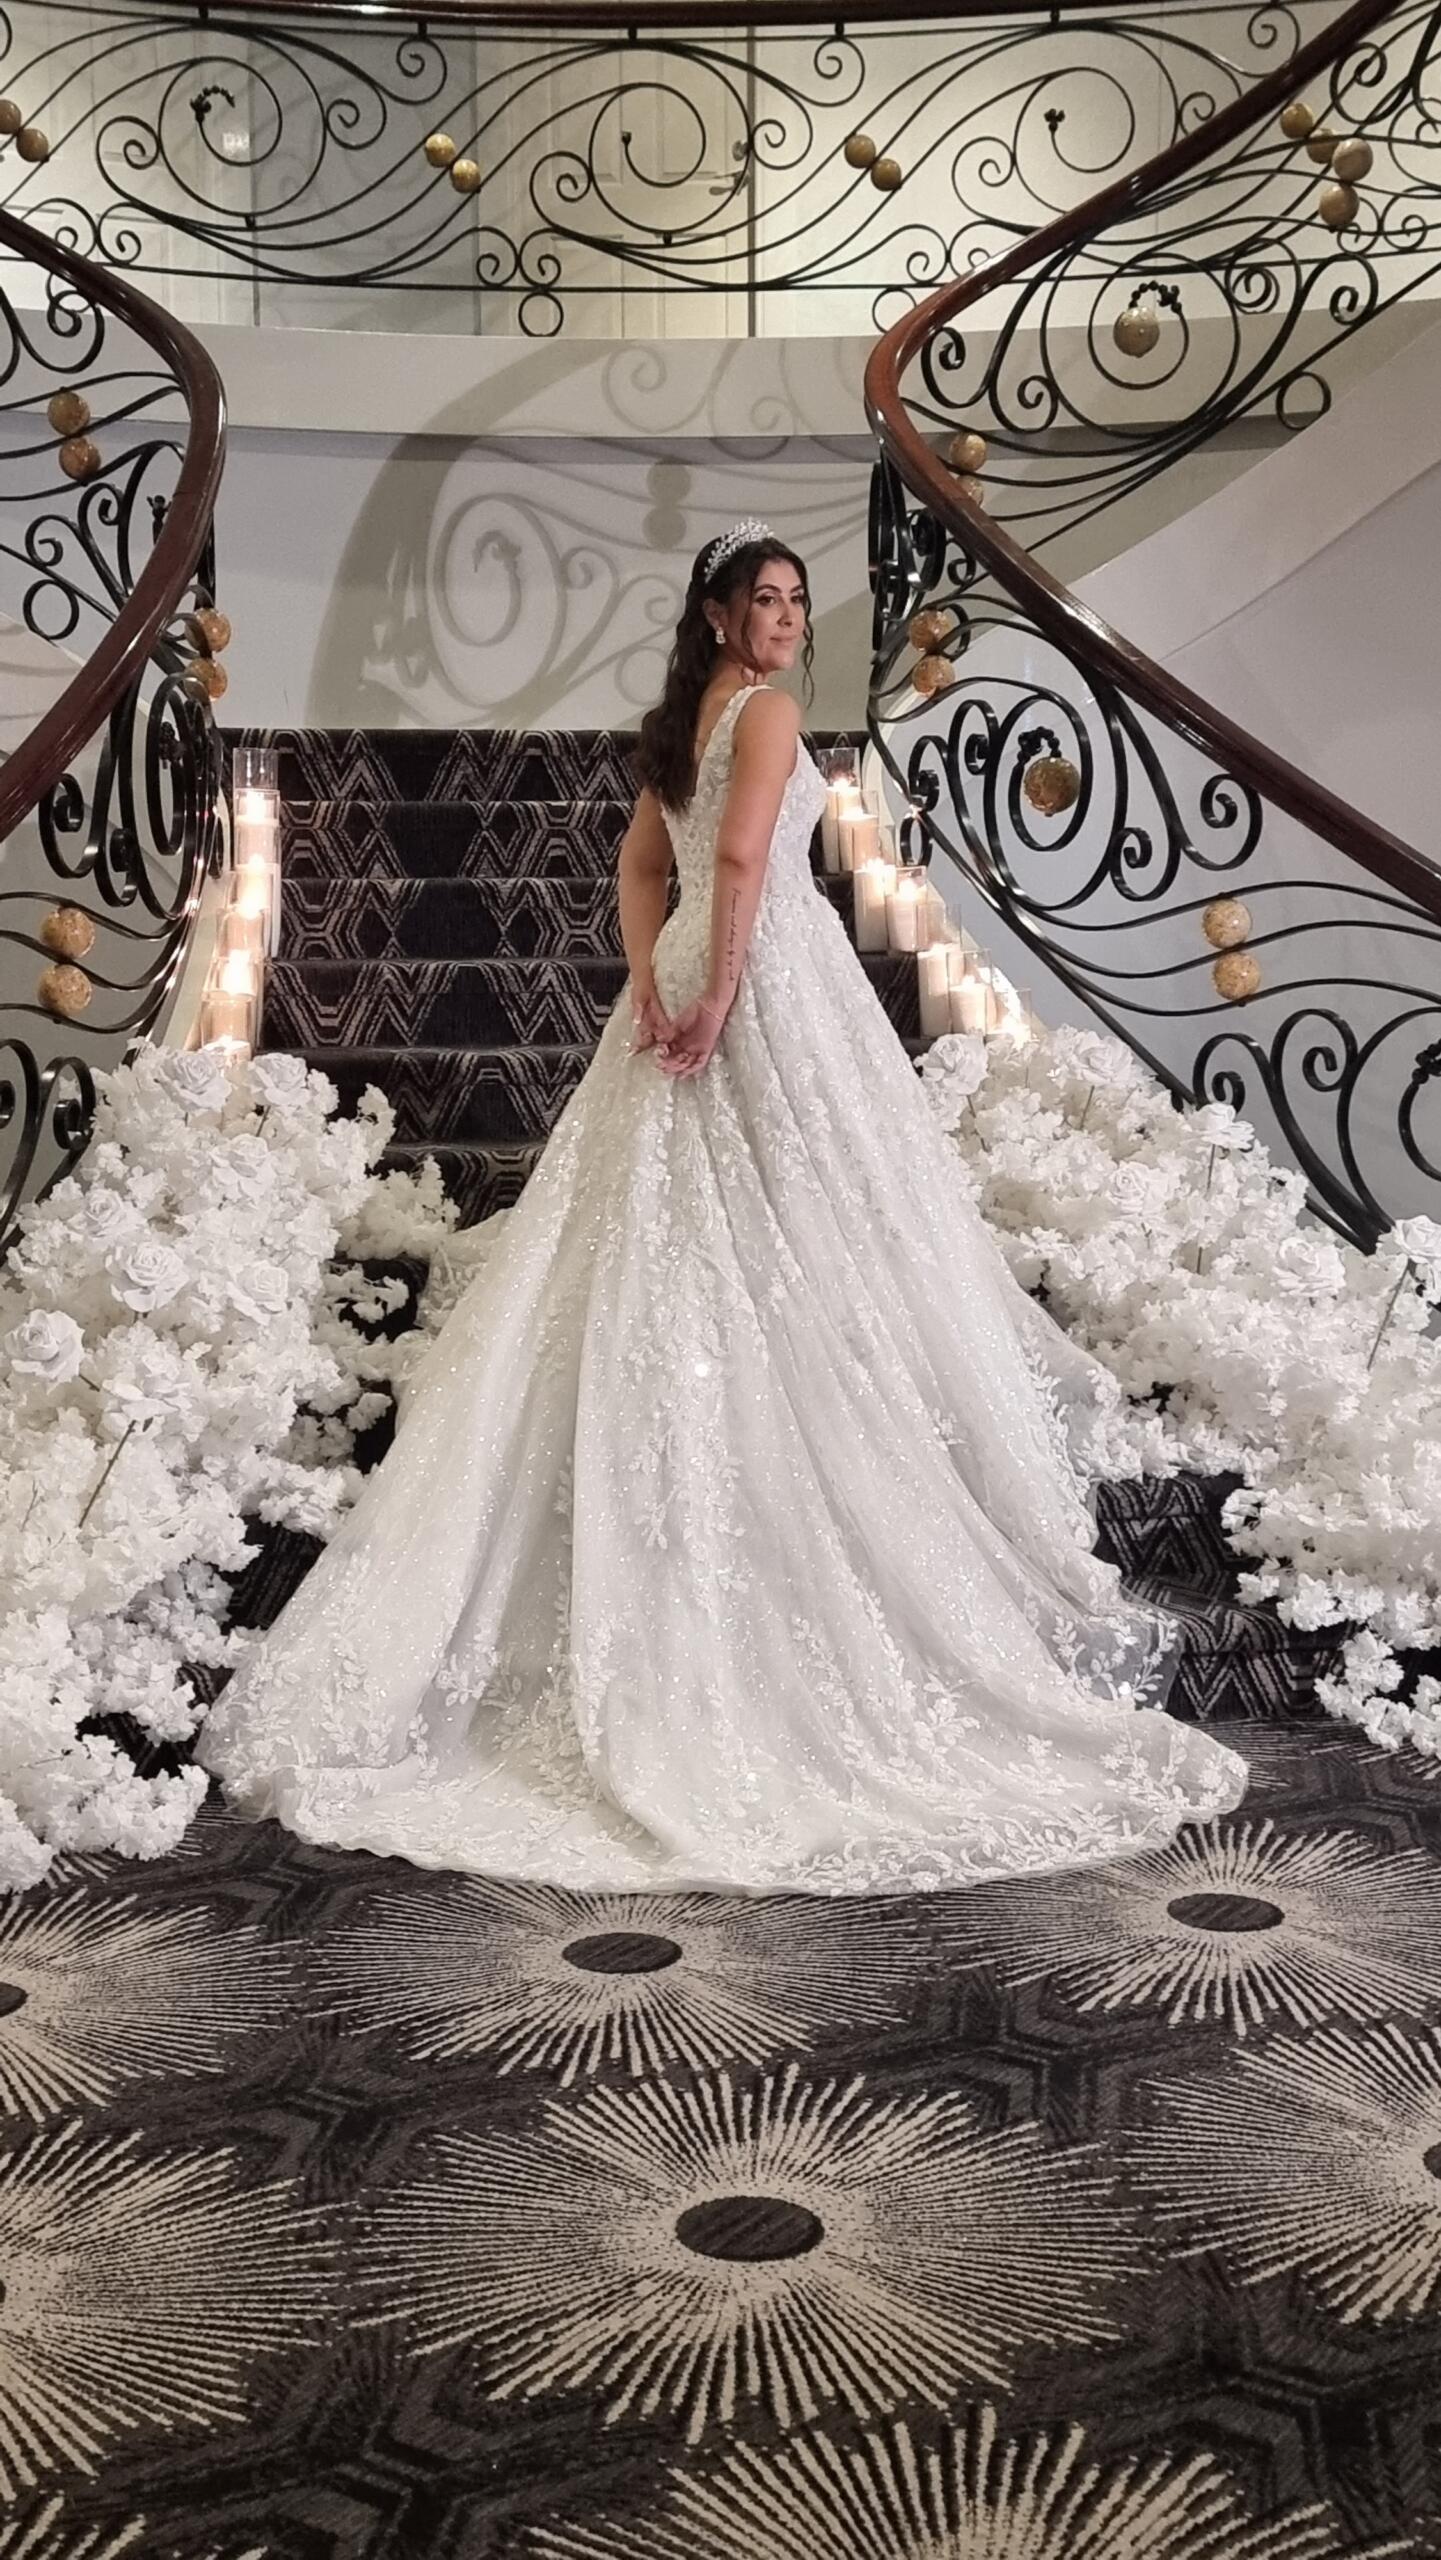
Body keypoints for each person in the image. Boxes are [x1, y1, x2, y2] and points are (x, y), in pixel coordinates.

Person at [197, 521, 1247, 1892]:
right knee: (793, 1229)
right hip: (756, 980)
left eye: (796, 601)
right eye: (764, 599)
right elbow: (742, 867)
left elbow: (649, 869)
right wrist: (716, 990)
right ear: (712, 614)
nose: (786, 619)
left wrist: (656, 975)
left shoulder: (692, 715)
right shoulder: (759, 712)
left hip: (697, 975)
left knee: (693, 1229)